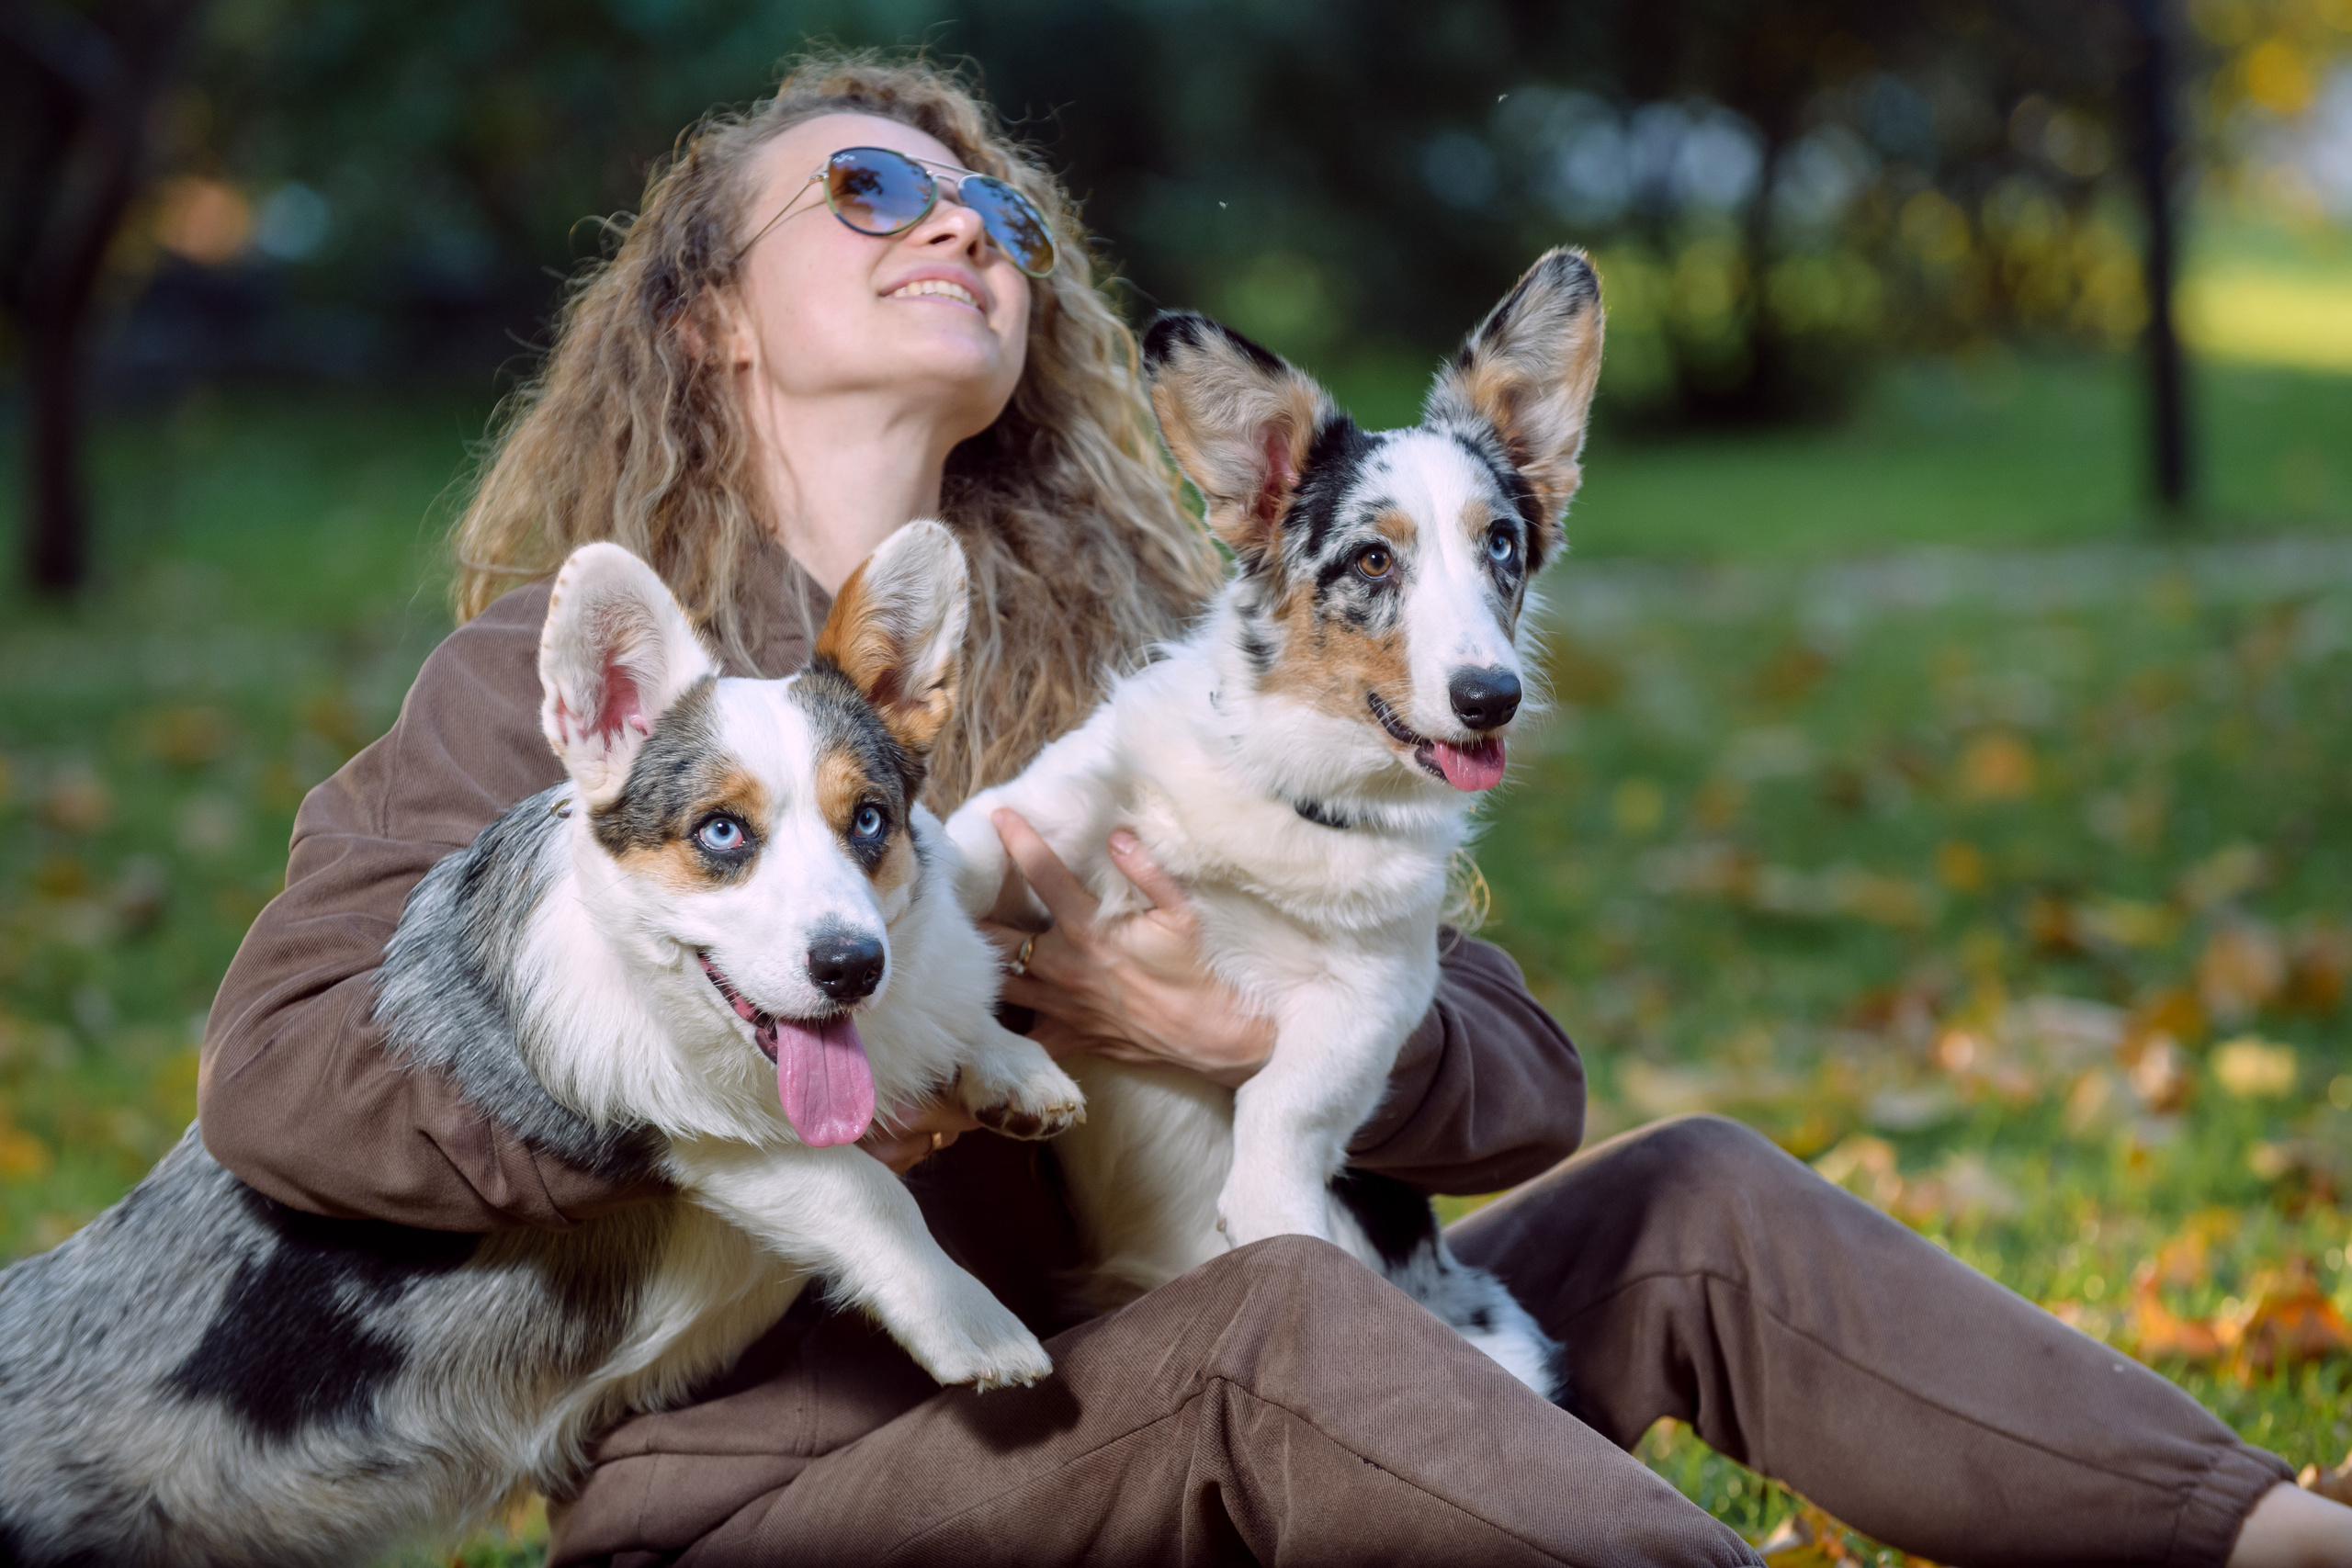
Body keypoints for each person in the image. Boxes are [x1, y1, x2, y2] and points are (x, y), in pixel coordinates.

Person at [197, 53, 2352, 1568]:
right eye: (868, 193)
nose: (955, 219)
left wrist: (1234, 1037)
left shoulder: (1182, 649)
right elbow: (282, 1074)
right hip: (807, 1474)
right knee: (1275, 1315)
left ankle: (2254, 1527)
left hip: (1217, 1328)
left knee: (1678, 1190)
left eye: (995, 211)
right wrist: (729, 1058)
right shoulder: (584, 697)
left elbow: (1519, 1076)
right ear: (706, 322)